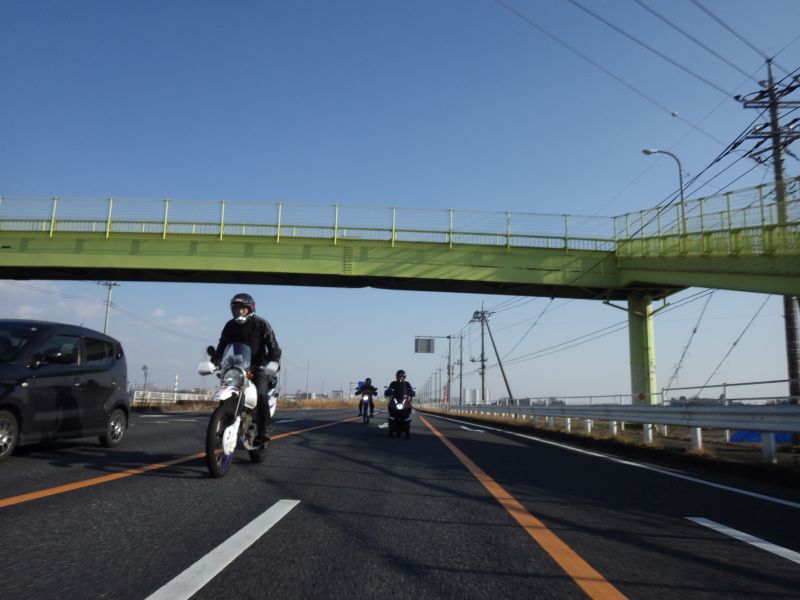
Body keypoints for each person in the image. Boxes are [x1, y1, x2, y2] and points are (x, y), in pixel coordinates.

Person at [212, 292, 281, 444]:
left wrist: (274, 361)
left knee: (261, 393)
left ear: (250, 309)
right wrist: (215, 361)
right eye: (236, 308)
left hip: (258, 367)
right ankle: (223, 421)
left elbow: (273, 346)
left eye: (242, 308)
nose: (239, 311)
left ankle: (266, 427)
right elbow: (222, 345)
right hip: (236, 366)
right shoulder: (230, 326)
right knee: (226, 389)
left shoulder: (261, 324)